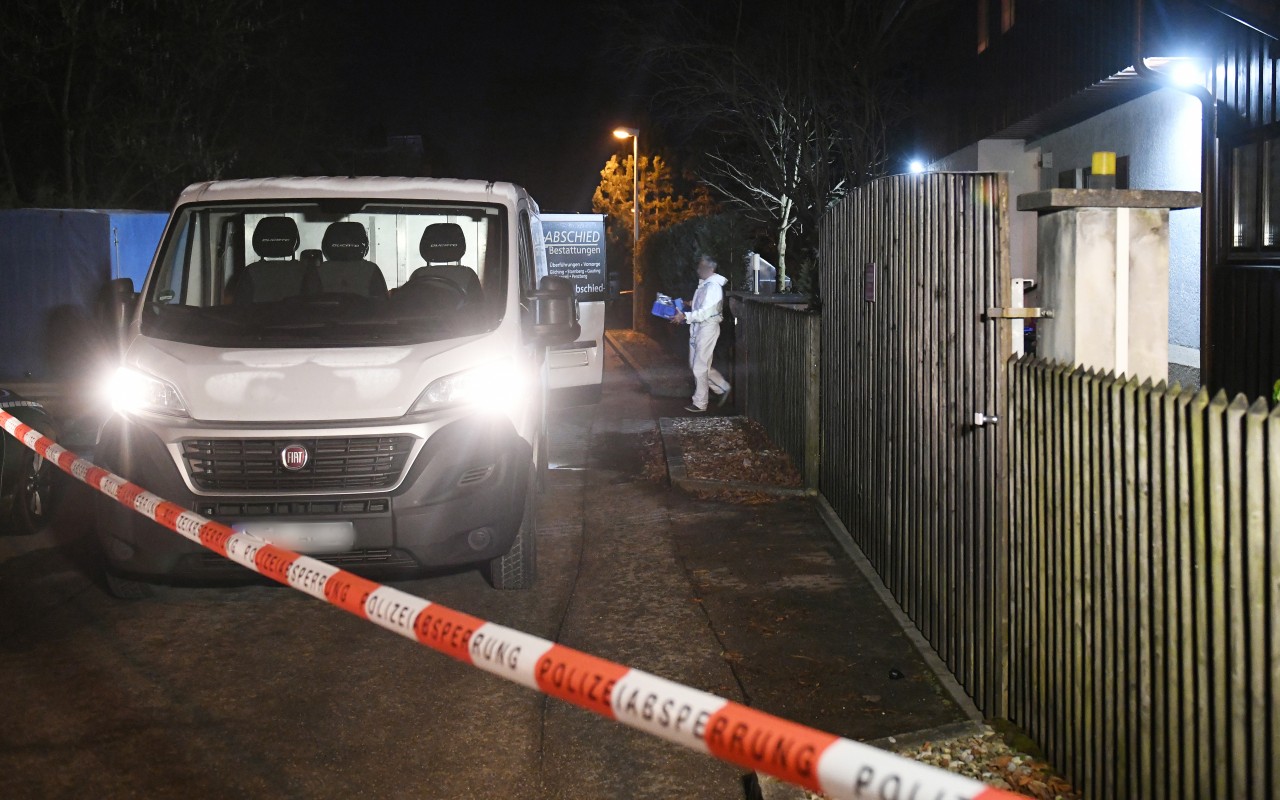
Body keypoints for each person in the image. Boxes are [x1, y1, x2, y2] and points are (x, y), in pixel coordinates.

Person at [671, 254, 731, 413]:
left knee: (699, 366)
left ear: (711, 268)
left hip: (707, 328)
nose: (699, 269)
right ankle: (722, 388)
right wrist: (688, 304)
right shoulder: (706, 285)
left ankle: (700, 403)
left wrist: (685, 315)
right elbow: (702, 305)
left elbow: (705, 312)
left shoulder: (713, 287)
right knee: (698, 365)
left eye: (702, 267)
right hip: (699, 328)